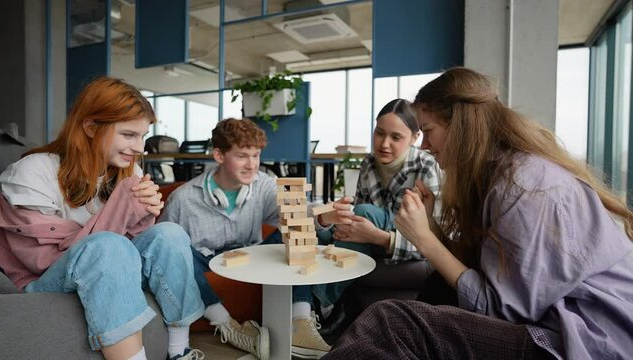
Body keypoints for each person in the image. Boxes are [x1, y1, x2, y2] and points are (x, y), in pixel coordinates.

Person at [322, 67, 633, 360]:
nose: (426, 144)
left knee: (390, 323)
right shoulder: (500, 175)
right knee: (437, 286)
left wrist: (424, 237)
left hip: (585, 337)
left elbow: (499, 310)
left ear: (460, 125)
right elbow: (479, 269)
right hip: (552, 315)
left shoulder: (525, 188)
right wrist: (431, 226)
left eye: (428, 131)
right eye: (380, 134)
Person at [0, 77, 205, 360]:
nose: (140, 147)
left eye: (143, 136)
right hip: (42, 280)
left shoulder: (129, 172)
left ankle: (179, 351)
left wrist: (143, 216)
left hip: (108, 267)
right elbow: (43, 261)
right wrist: (123, 206)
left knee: (170, 234)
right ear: (91, 127)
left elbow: (128, 250)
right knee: (108, 246)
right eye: (129, 135)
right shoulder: (31, 172)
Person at [160, 118, 353, 360]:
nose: (252, 165)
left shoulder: (263, 185)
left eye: (256, 155)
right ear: (219, 155)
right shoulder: (183, 199)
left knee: (294, 231)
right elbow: (164, 251)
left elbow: (296, 215)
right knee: (180, 253)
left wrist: (326, 218)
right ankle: (227, 324)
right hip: (205, 261)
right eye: (242, 156)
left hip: (251, 257)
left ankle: (300, 321)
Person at [314, 98, 441, 318]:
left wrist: (379, 237)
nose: (384, 144)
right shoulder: (369, 164)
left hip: (408, 242)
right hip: (368, 242)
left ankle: (320, 303)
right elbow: (357, 220)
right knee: (317, 232)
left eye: (396, 137)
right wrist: (340, 222)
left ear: (415, 137)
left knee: (363, 212)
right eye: (379, 133)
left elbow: (432, 238)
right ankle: (304, 307)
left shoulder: (426, 166)